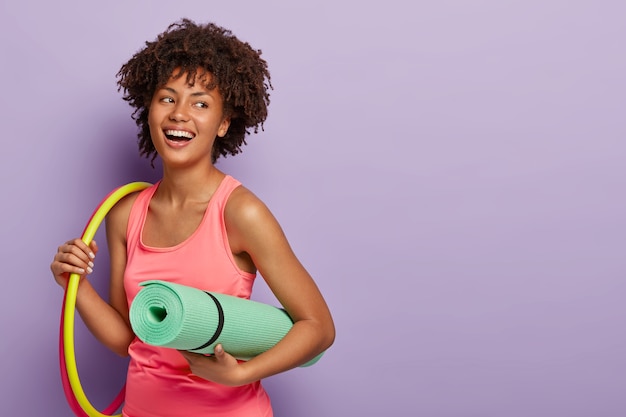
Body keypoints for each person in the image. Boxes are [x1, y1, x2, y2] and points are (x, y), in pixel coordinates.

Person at [50, 18, 335, 417]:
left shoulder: (240, 212)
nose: (180, 114)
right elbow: (129, 339)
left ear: (222, 124)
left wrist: (240, 374)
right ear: (148, 109)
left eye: (200, 103)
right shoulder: (124, 214)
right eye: (167, 98)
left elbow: (318, 327)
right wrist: (75, 286)